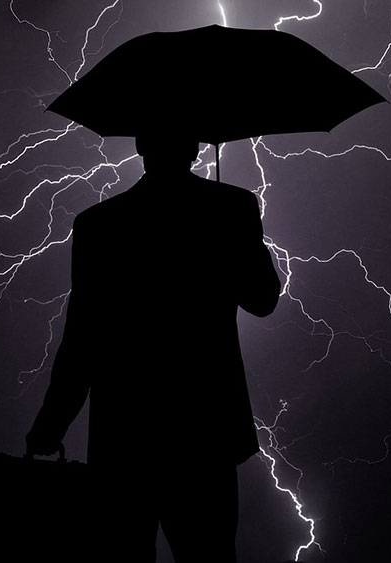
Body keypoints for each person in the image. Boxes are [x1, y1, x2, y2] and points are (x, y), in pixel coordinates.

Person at [26, 131, 281, 562]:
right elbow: (263, 300)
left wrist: (51, 424)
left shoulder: (99, 224)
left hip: (125, 437)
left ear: (141, 145)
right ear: (197, 146)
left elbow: (82, 338)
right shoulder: (231, 208)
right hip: (206, 434)